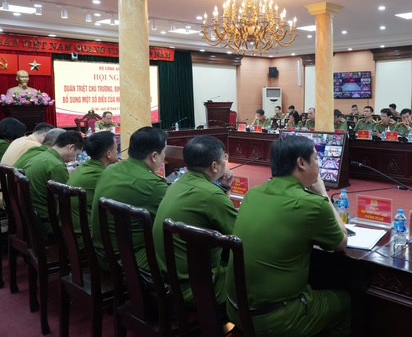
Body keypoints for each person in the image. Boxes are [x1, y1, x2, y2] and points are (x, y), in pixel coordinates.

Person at [226, 135, 350, 336]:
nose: (319, 165)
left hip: (235, 309)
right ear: (301, 163)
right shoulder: (313, 204)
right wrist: (322, 193)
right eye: (316, 158)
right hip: (277, 320)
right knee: (348, 303)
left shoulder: (252, 194)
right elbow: (342, 242)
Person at [153, 136, 237, 310]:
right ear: (214, 166)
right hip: (200, 287)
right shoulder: (210, 195)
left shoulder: (177, 183)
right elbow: (241, 234)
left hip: (169, 281)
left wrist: (225, 187)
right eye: (224, 158)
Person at [91, 127, 168, 269]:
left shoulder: (110, 170)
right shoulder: (152, 185)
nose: (165, 157)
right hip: (128, 261)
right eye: (164, 152)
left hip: (100, 253)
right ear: (154, 156)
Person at [23, 130, 84, 236]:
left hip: (31, 216)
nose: (73, 159)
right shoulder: (56, 166)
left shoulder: (40, 156)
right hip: (46, 222)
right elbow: (66, 202)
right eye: (77, 154)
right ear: (71, 147)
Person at [67, 131, 119, 240]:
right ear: (109, 154)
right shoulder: (101, 175)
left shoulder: (84, 167)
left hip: (71, 230)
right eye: (116, 149)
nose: (117, 152)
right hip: (85, 236)